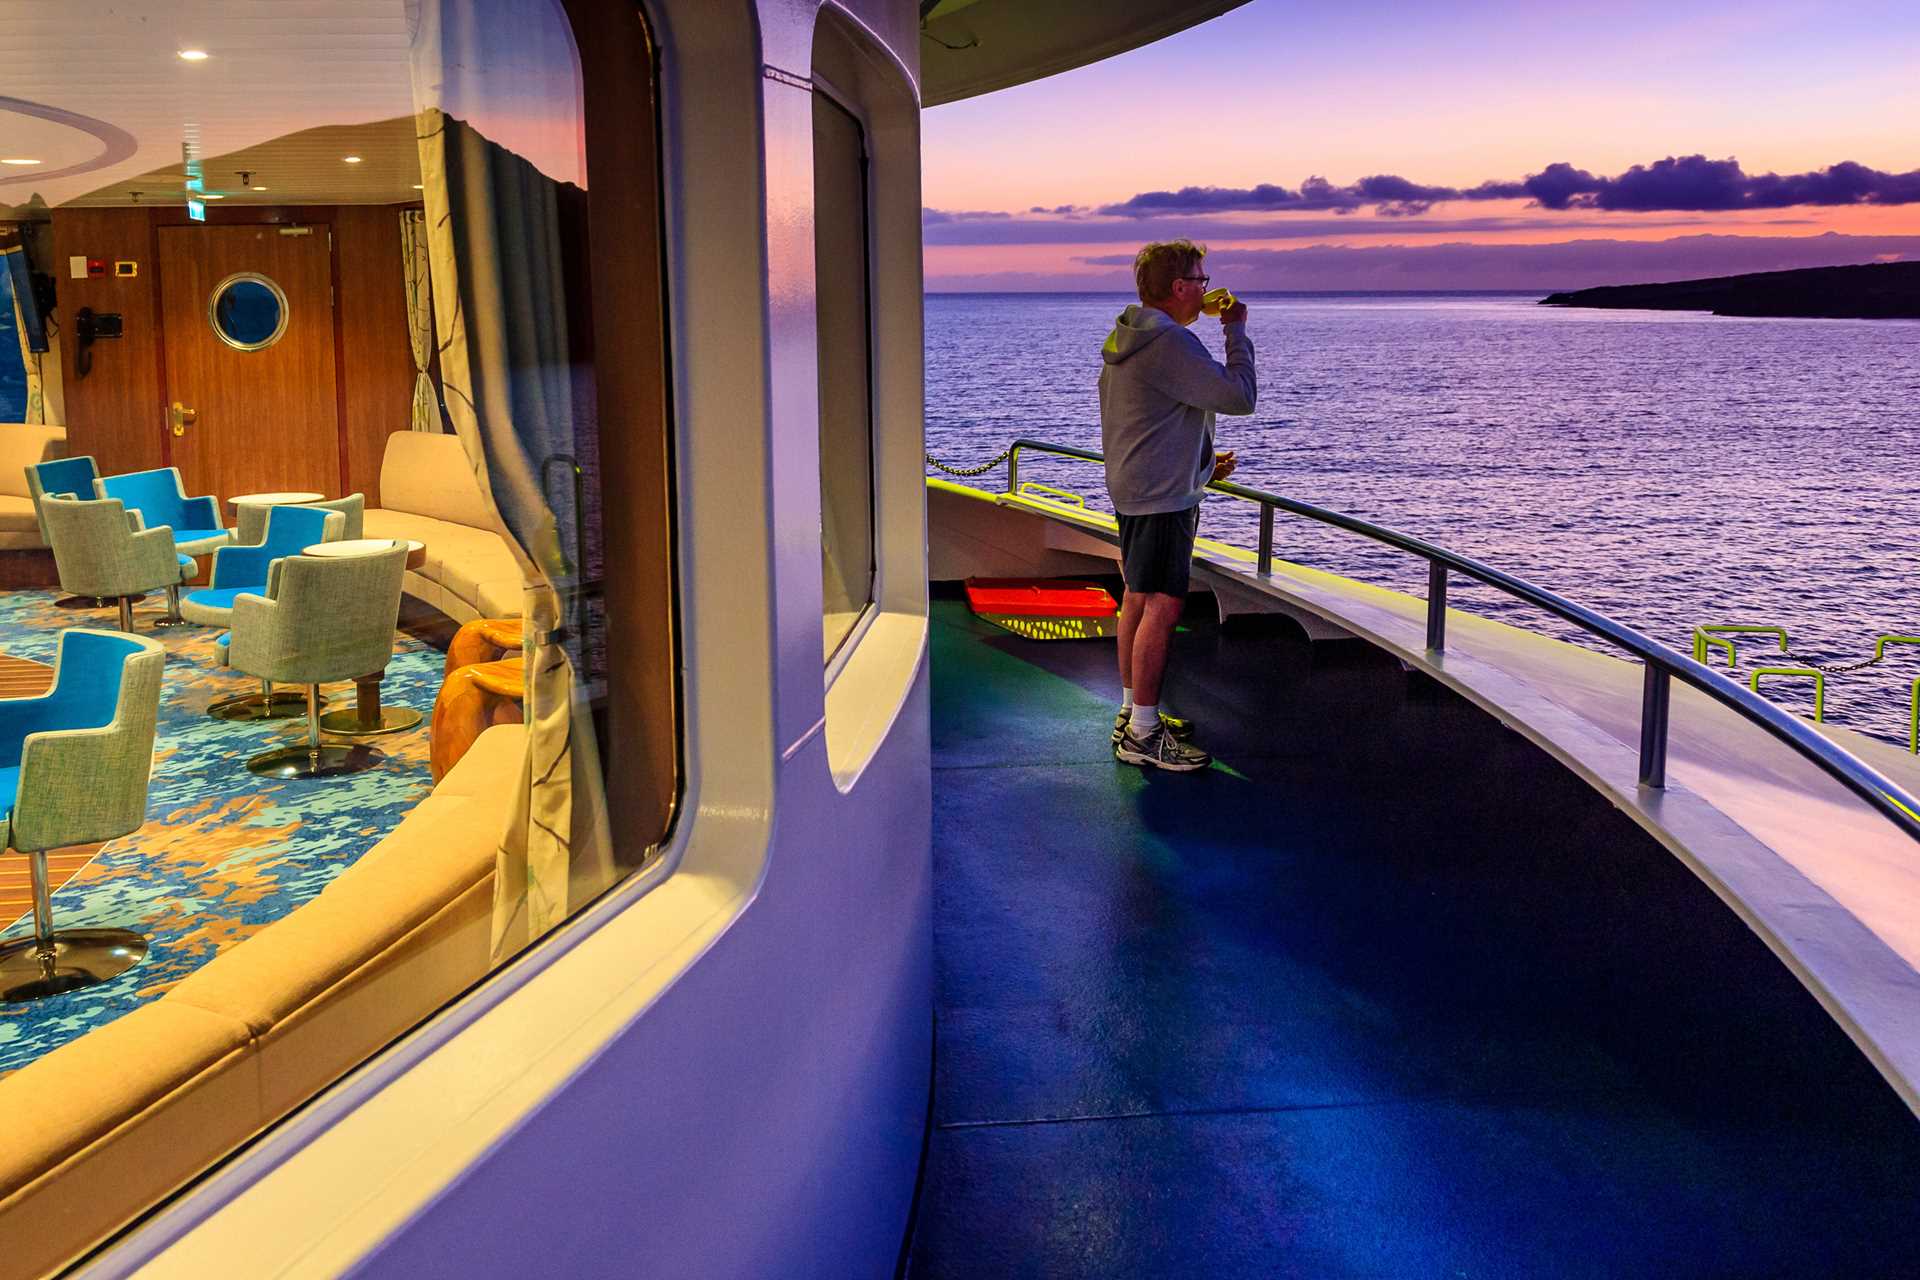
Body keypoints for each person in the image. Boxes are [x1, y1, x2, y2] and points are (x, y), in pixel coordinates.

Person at [1098, 239, 1257, 772]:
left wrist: (1203, 465)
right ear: (1178, 288)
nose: (1207, 289)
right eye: (1201, 279)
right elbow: (1238, 397)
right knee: (1162, 607)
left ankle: (1131, 713)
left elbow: (1151, 421)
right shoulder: (1170, 343)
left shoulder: (1132, 338)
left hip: (1138, 489)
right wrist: (1236, 328)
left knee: (1138, 601)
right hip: (1162, 499)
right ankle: (1143, 734)